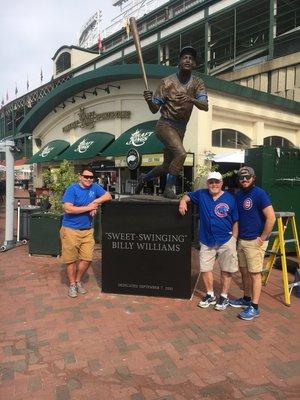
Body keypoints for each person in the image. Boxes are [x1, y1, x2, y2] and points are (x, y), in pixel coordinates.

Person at [135, 46, 209, 199]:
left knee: (167, 166)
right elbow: (155, 109)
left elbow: (205, 106)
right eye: (185, 57)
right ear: (179, 62)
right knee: (181, 154)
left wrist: (191, 99)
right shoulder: (167, 82)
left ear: (194, 64)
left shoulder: (197, 83)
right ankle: (169, 189)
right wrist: (149, 100)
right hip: (165, 125)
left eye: (191, 58)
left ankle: (144, 177)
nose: (188, 60)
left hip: (181, 127)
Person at [179, 171, 238, 310]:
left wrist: (234, 238)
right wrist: (182, 201)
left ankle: (224, 296)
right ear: (207, 183)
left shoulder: (230, 198)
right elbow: (188, 195)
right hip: (207, 239)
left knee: (226, 270)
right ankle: (210, 294)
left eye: (217, 182)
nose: (214, 184)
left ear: (221, 183)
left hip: (226, 239)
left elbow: (236, 220)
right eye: (211, 182)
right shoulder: (202, 194)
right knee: (205, 268)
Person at [230, 166, 276, 320]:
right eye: (242, 177)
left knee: (255, 274)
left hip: (255, 242)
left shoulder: (259, 194)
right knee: (244, 272)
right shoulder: (239, 194)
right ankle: (246, 299)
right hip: (242, 240)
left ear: (253, 178)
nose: (244, 180)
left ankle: (255, 307)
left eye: (247, 177)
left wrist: (262, 237)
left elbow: (271, 217)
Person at [60, 166, 112, 298]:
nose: (88, 179)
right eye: (86, 177)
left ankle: (78, 281)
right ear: (80, 177)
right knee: (71, 260)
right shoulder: (72, 189)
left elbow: (108, 195)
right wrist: (88, 208)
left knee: (87, 258)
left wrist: (95, 201)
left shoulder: (94, 187)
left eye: (91, 177)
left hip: (87, 230)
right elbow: (68, 209)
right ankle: (72, 284)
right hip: (70, 229)